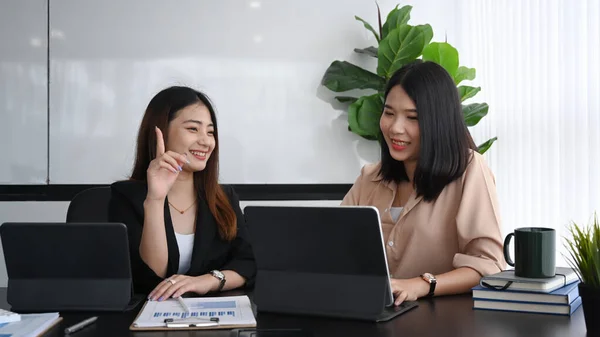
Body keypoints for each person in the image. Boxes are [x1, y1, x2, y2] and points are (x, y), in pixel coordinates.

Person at [342, 61, 506, 305]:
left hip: (442, 322)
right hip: (372, 317)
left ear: (437, 122)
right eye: (389, 113)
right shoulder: (370, 177)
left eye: (413, 117)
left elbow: (489, 265)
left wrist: (421, 284)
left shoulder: (470, 170)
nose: (396, 128)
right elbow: (334, 249)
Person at [108, 86, 255, 300]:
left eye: (210, 132)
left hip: (213, 320)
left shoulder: (224, 197)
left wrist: (207, 281)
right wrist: (156, 199)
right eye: (193, 129)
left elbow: (248, 264)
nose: (206, 141)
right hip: (147, 318)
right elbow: (152, 275)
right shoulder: (126, 196)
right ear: (160, 131)